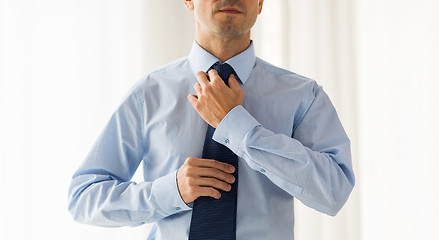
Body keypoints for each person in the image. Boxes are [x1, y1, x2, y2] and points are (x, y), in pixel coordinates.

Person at [68, 0, 355, 239]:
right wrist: (172, 190)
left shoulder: (303, 96)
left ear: (260, 3)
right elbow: (83, 197)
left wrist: (237, 126)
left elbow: (333, 192)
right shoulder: (148, 94)